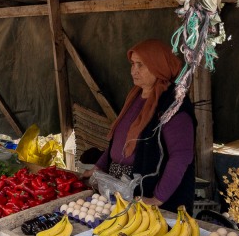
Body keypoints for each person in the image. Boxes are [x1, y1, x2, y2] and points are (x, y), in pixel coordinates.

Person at [81, 39, 196, 213]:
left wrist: (157, 198)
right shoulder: (134, 96)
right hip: (122, 191)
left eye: (141, 65)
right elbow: (118, 142)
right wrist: (97, 168)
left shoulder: (173, 105)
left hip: (151, 197)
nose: (134, 70)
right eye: (133, 64)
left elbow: (181, 157)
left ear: (158, 66)